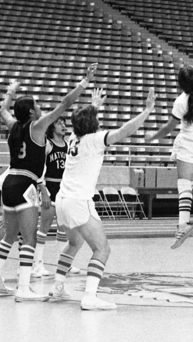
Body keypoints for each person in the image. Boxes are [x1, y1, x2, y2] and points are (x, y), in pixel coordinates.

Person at [0, 63, 97, 302]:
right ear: (32, 113)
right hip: (26, 183)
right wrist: (85, 82)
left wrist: (10, 91)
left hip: (9, 182)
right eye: (37, 105)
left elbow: (2, 110)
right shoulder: (38, 127)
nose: (40, 107)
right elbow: (65, 104)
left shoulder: (13, 125)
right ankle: (24, 289)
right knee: (29, 238)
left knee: (9, 235)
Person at [51, 87, 156, 310]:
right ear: (93, 124)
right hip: (79, 201)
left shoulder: (73, 138)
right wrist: (146, 112)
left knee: (74, 242)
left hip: (62, 200)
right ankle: (90, 296)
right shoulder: (95, 140)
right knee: (102, 249)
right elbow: (124, 131)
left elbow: (84, 120)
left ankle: (58, 285)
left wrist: (94, 106)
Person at [144, 9, 193, 249]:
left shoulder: (182, 102)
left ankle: (182, 225)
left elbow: (168, 128)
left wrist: (152, 136)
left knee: (182, 184)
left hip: (188, 142)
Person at [30, 117, 68, 278]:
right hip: (50, 187)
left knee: (64, 227)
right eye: (60, 123)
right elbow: (38, 166)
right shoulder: (47, 144)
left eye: (64, 123)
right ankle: (37, 264)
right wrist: (43, 189)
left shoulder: (68, 145)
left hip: (65, 188)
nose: (63, 125)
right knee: (44, 226)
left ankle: (65, 263)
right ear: (52, 127)